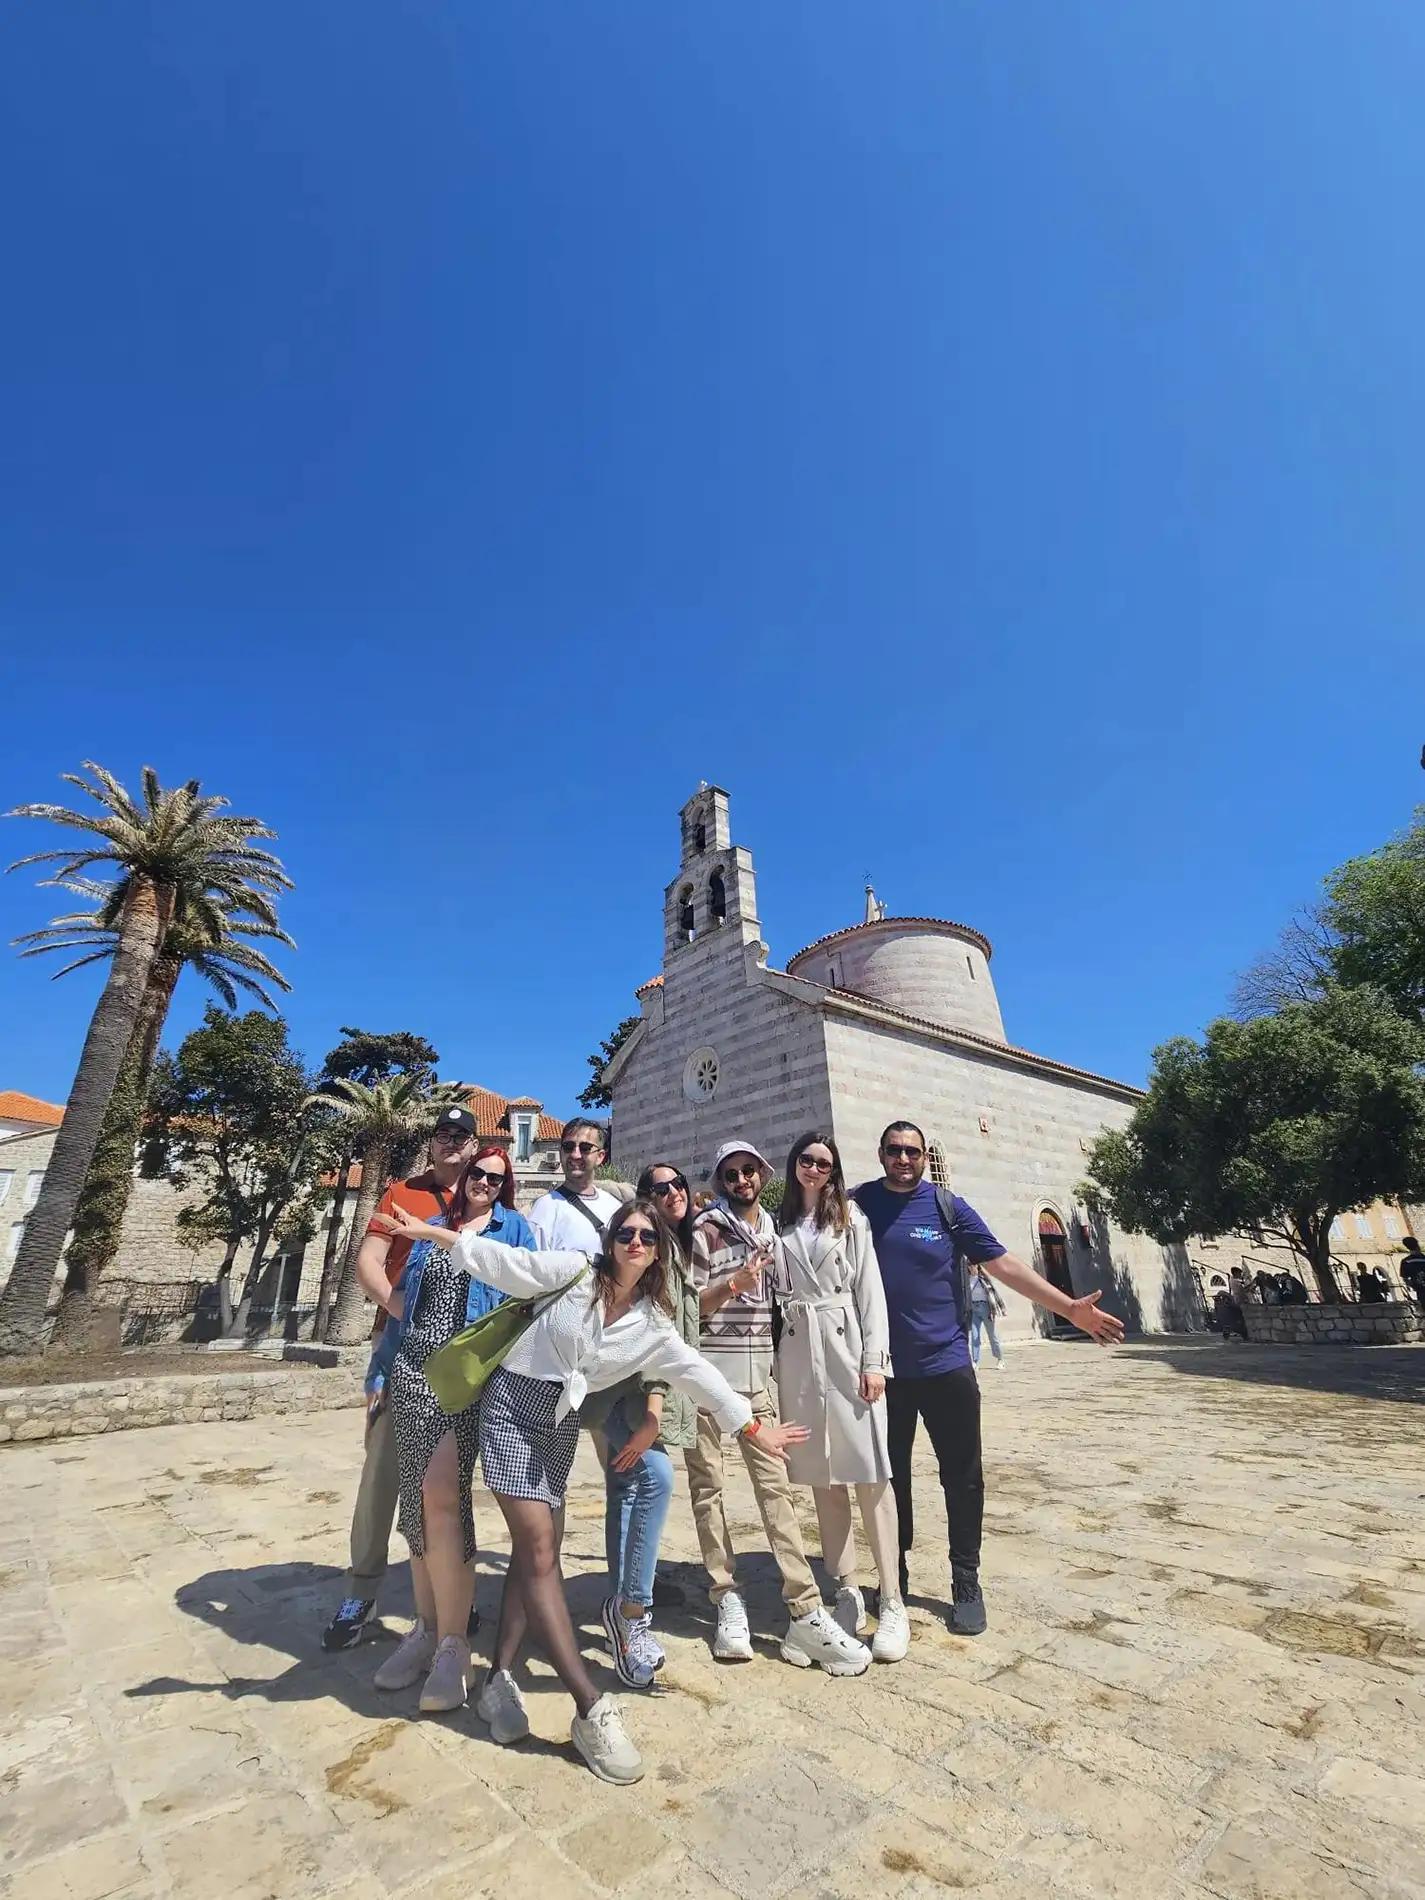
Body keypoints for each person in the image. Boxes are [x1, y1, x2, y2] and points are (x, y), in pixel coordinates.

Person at [374, 1196, 808, 1786]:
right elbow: (504, 1263)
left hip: (556, 1424)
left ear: (658, 1252)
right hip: (509, 1409)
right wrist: (431, 1234)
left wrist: (753, 1427)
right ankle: (589, 1706)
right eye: (626, 1233)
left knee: (539, 1550)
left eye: (646, 1237)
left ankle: (499, 1679)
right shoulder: (575, 1271)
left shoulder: (653, 1325)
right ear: (611, 1240)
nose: (635, 1243)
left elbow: (697, 1372)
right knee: (539, 1548)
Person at [853, 1121, 1124, 1637]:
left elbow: (1001, 1263)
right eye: (894, 1150)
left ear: (924, 1156)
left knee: (963, 1478)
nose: (904, 1159)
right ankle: (894, 1574)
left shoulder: (946, 1208)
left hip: (947, 1365)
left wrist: (1068, 1308)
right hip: (884, 1372)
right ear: (881, 1153)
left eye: (913, 1151)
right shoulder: (859, 1205)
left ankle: (966, 1581)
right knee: (890, 1479)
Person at [359, 1145, 535, 1712]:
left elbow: (527, 1300)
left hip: (465, 1380)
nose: (483, 1182)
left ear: (505, 1187)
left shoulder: (514, 1230)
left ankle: (455, 1643)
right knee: (416, 1506)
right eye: (477, 1172)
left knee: (442, 1498)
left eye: (495, 1178)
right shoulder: (432, 1224)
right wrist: (381, 1368)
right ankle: (426, 1630)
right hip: (412, 1372)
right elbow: (405, 1304)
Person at [686, 1138, 871, 1675]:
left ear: (763, 1175)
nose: (741, 1180)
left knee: (777, 1491)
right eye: (731, 1174)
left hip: (758, 1378)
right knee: (708, 1489)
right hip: (707, 1377)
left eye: (749, 1171)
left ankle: (804, 1610)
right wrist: (734, 1283)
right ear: (720, 1181)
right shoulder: (706, 1230)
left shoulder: (775, 1230)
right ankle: (726, 1596)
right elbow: (690, 1307)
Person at [321, 1104, 479, 1651]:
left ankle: (451, 1593)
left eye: (461, 1136)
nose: (451, 1143)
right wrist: (398, 1309)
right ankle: (362, 1590)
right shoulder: (400, 1194)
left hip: (462, 1355)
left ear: (474, 1146)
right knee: (383, 1472)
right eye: (443, 1134)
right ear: (431, 1143)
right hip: (401, 1347)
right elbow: (370, 1260)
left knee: (450, 1481)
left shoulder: (482, 1199)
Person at [773, 1131, 909, 1664]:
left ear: (834, 1172)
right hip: (798, 1354)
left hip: (847, 1348)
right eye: (806, 1160)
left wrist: (875, 1361)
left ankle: (892, 1597)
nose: (814, 1169)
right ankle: (846, 1587)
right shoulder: (780, 1224)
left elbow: (870, 1293)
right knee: (823, 1479)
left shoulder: (852, 1220)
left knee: (872, 1475)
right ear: (794, 1165)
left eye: (824, 1163)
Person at [578, 1160, 699, 1689]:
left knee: (629, 1488)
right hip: (611, 1396)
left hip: (641, 1391)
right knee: (654, 1478)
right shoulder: (615, 1266)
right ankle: (631, 1612)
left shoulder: (670, 1251)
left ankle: (622, 1606)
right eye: (657, 1189)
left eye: (678, 1184)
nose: (671, 1193)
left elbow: (666, 1337)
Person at [529, 1118, 624, 1252]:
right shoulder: (544, 1209)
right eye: (568, 1147)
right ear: (561, 1152)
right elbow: (534, 1263)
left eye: (585, 1148)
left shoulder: (615, 1208)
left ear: (600, 1157)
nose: (575, 1154)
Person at [968, 1263, 1007, 1370]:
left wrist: (1002, 1308)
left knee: (992, 1335)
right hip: (973, 1308)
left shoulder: (983, 1279)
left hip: (986, 1308)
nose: (971, 1267)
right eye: (969, 1266)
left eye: (973, 1265)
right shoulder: (967, 1280)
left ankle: (1000, 1359)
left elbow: (994, 1294)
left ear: (977, 1266)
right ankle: (975, 1361)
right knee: (975, 1336)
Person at [1400, 1238, 1425, 1305]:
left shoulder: (1406, 1261)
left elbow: (1405, 1278)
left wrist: (1414, 1286)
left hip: (1421, 1291)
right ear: (1418, 1246)